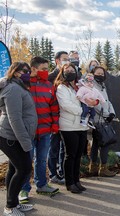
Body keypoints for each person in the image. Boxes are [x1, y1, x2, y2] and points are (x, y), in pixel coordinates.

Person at [19, 57, 59, 203]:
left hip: (45, 131)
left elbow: (54, 107)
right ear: (34, 69)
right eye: (44, 69)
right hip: (27, 131)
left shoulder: (49, 85)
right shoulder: (23, 84)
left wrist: (55, 124)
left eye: (47, 69)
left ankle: (41, 184)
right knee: (25, 161)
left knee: (41, 160)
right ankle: (23, 189)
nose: (46, 71)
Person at [0, 62, 37, 216]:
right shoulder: (14, 89)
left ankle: (13, 203)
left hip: (15, 137)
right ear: (15, 72)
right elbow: (15, 118)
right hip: (11, 137)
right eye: (24, 71)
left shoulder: (19, 86)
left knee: (14, 169)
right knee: (24, 169)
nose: (28, 73)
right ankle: (9, 207)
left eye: (29, 70)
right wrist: (25, 143)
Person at [54, 62, 97, 193]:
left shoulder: (80, 86)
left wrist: (91, 105)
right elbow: (65, 105)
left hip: (82, 125)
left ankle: (77, 180)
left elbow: (88, 98)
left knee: (79, 155)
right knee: (70, 155)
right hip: (68, 126)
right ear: (62, 72)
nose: (70, 72)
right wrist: (82, 111)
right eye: (67, 70)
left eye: (73, 69)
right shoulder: (62, 87)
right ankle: (70, 182)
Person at [89, 66, 117, 177]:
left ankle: (95, 168)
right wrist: (107, 115)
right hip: (98, 119)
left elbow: (107, 101)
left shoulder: (102, 86)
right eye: (98, 73)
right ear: (93, 74)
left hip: (105, 118)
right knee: (103, 143)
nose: (100, 75)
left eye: (102, 73)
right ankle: (101, 168)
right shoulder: (91, 86)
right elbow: (95, 103)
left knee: (97, 143)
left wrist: (112, 113)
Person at [47, 51, 68, 185]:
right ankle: (53, 173)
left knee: (63, 148)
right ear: (57, 61)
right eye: (64, 59)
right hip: (53, 118)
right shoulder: (50, 77)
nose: (67, 61)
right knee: (53, 147)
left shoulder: (68, 76)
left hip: (66, 118)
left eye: (68, 59)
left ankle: (62, 172)